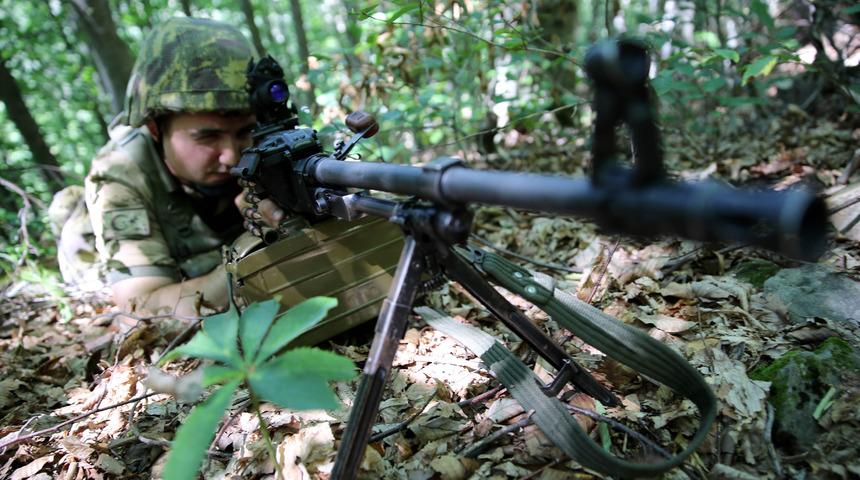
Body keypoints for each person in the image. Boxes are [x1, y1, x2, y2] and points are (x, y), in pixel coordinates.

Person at [72, 17, 283, 317]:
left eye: (243, 132)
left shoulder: (270, 142)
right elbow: (140, 306)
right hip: (94, 242)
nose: (232, 157)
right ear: (155, 130)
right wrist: (250, 252)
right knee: (74, 235)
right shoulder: (120, 174)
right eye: (207, 136)